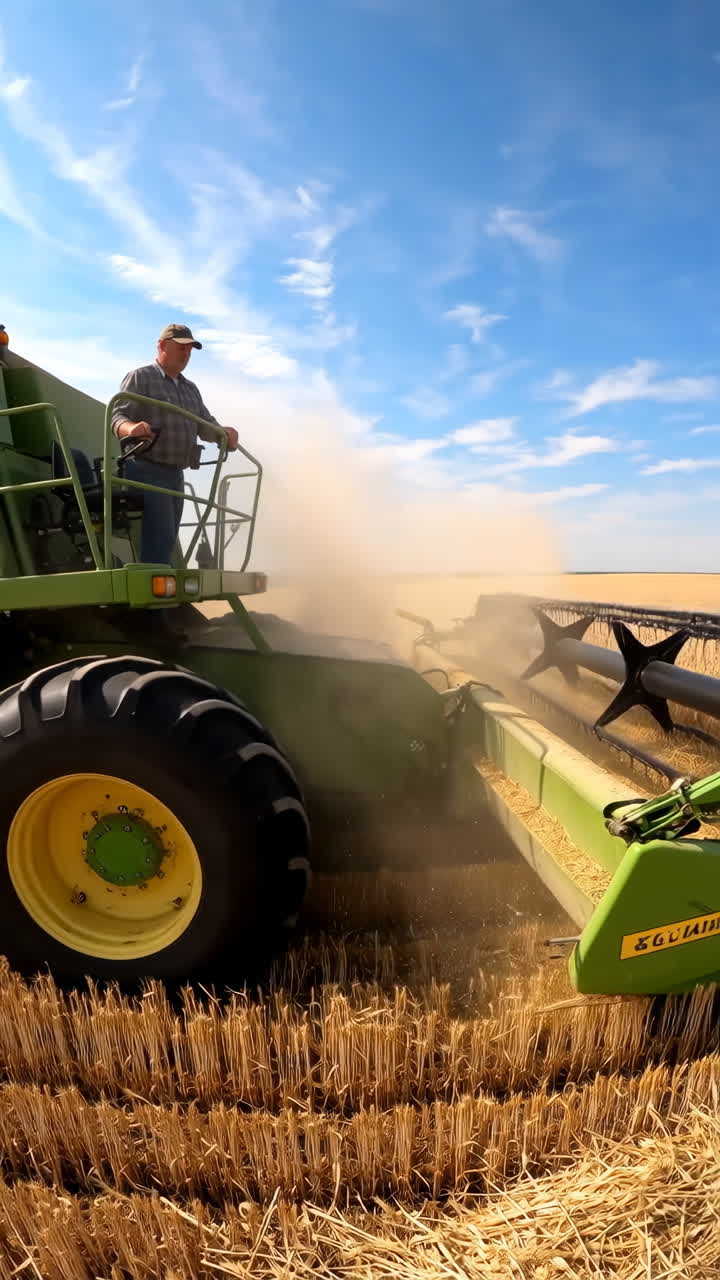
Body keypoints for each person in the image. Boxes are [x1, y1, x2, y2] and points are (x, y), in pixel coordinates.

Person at [111, 323, 239, 564]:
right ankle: (154, 592)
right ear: (161, 346)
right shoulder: (141, 377)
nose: (186, 354)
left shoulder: (191, 390)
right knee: (162, 534)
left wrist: (224, 434)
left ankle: (158, 586)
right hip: (145, 468)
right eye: (181, 348)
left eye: (190, 350)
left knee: (168, 539)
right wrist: (132, 428)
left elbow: (206, 426)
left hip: (176, 474)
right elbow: (117, 417)